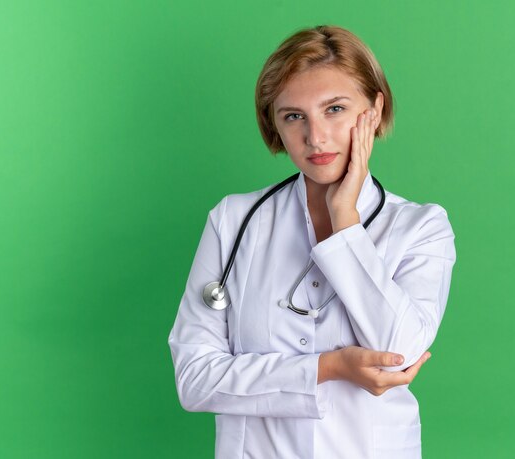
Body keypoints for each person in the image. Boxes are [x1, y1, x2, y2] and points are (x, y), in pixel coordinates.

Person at [168, 25, 456, 459]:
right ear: (275, 125)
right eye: (293, 115)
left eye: (335, 109)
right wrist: (327, 368)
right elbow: (195, 379)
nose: (315, 137)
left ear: (374, 111)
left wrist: (345, 225)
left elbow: (399, 353)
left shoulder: (420, 227)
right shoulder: (233, 221)